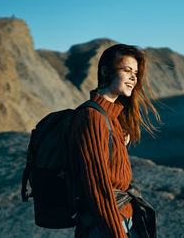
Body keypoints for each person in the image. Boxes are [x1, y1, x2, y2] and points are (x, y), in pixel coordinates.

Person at [69, 44, 160, 237]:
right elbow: (98, 188)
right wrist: (117, 233)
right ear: (105, 71)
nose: (133, 78)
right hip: (106, 226)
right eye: (127, 70)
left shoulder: (112, 116)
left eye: (135, 72)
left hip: (123, 218)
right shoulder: (92, 117)